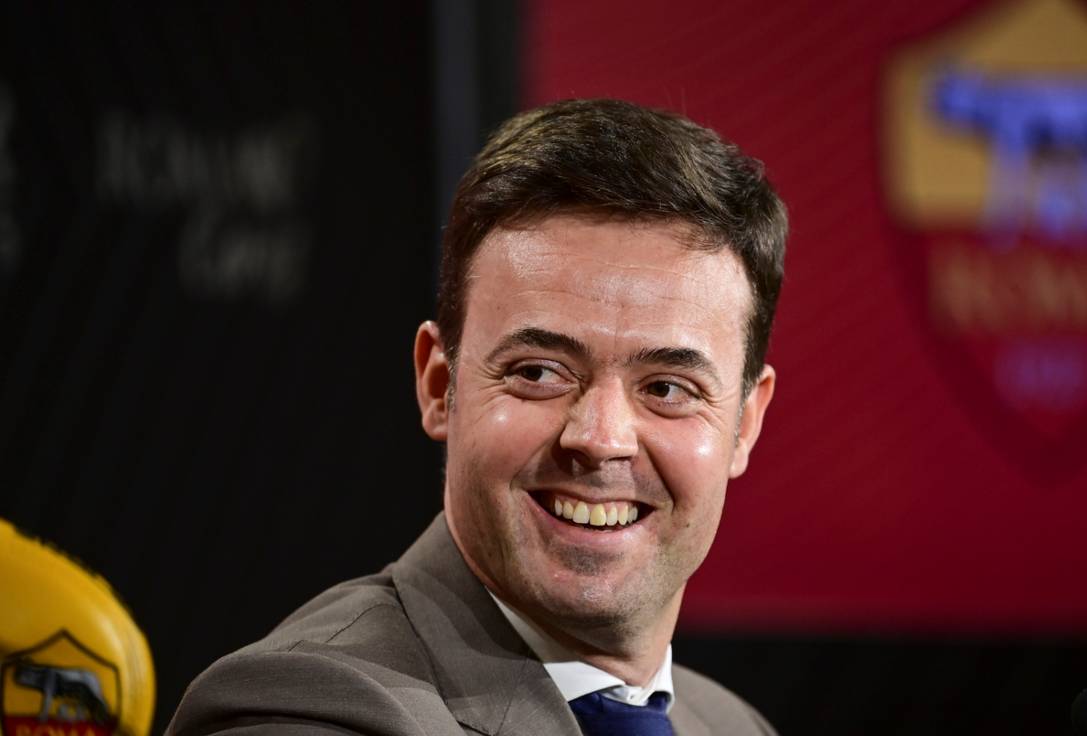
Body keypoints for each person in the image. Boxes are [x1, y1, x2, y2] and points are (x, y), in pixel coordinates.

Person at [166, 97, 787, 736]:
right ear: (440, 386)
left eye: (667, 388)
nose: (601, 439)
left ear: (745, 423)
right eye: (538, 373)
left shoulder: (733, 726)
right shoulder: (307, 712)